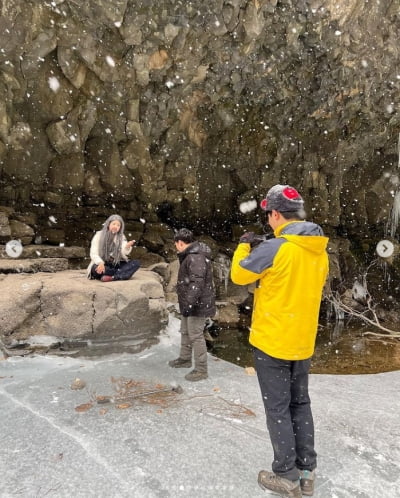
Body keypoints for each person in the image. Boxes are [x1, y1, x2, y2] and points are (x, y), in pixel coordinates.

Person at [231, 185, 329, 498]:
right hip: (302, 341)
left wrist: (245, 247)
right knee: (300, 404)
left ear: (275, 214)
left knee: (278, 408)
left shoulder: (276, 248)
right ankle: (306, 471)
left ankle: (285, 475)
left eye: (269, 216)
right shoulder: (317, 249)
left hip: (273, 342)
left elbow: (239, 275)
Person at [169, 228, 216, 382]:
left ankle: (201, 369)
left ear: (180, 243)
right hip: (189, 302)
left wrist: (190, 302)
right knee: (185, 331)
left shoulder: (195, 257)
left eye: (176, 244)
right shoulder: (190, 255)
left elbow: (197, 282)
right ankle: (185, 358)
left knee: (196, 334)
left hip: (197, 304)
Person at [87, 214, 140, 282]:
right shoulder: (98, 235)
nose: (116, 226)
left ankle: (112, 277)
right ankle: (121, 274)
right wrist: (100, 263)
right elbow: (93, 253)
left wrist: (127, 247)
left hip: (115, 263)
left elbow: (124, 251)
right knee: (95, 269)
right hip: (102, 263)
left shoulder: (121, 236)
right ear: (108, 224)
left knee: (136, 263)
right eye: (114, 224)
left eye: (118, 225)